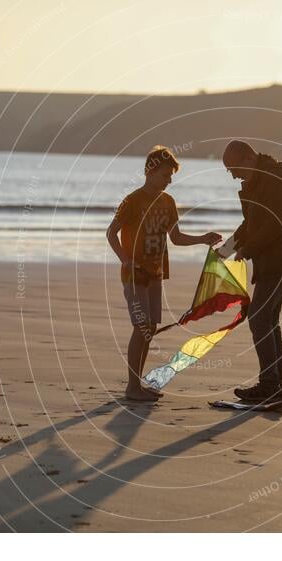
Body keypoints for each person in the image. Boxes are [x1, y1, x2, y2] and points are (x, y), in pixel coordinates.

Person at [107, 146, 221, 401]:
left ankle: (137, 385)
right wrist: (124, 260)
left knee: (150, 327)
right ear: (150, 171)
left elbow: (176, 237)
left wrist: (204, 239)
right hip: (135, 275)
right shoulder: (132, 201)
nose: (169, 181)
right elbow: (110, 232)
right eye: (165, 175)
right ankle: (132, 387)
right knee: (141, 327)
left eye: (171, 177)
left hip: (156, 274)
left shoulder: (168, 202)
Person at [222, 140, 282, 403]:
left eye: (234, 168)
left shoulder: (273, 179)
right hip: (274, 260)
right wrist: (226, 249)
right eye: (229, 171)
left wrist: (245, 251)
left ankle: (270, 386)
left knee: (259, 318)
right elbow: (252, 222)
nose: (233, 175)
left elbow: (273, 223)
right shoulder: (256, 182)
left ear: (248, 158)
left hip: (281, 260)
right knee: (268, 319)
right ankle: (274, 385)